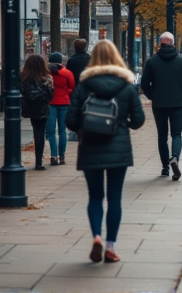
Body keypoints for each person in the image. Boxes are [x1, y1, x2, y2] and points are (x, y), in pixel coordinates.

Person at [66, 40, 145, 263]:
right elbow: (138, 120)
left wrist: (86, 124)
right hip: (118, 149)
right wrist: (121, 123)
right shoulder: (127, 86)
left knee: (95, 197)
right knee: (115, 198)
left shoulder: (84, 86)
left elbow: (70, 120)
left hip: (90, 147)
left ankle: (97, 237)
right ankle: (111, 246)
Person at [140, 32, 182, 180]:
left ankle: (165, 167)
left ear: (160, 43)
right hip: (177, 103)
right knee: (176, 134)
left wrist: (153, 95)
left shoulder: (152, 61)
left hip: (159, 104)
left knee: (162, 136)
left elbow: (144, 84)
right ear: (173, 43)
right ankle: (175, 158)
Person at [20, 54, 54, 170]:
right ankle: (39, 161)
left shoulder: (24, 77)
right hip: (43, 108)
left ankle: (37, 159)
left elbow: (21, 91)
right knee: (41, 133)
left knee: (35, 130)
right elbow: (51, 94)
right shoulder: (46, 78)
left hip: (30, 108)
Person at [47, 51, 75, 165]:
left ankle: (54, 155)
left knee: (50, 132)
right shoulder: (67, 73)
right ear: (61, 61)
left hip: (51, 103)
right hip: (64, 103)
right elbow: (72, 86)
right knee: (62, 131)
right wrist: (65, 93)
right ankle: (62, 155)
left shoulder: (47, 72)